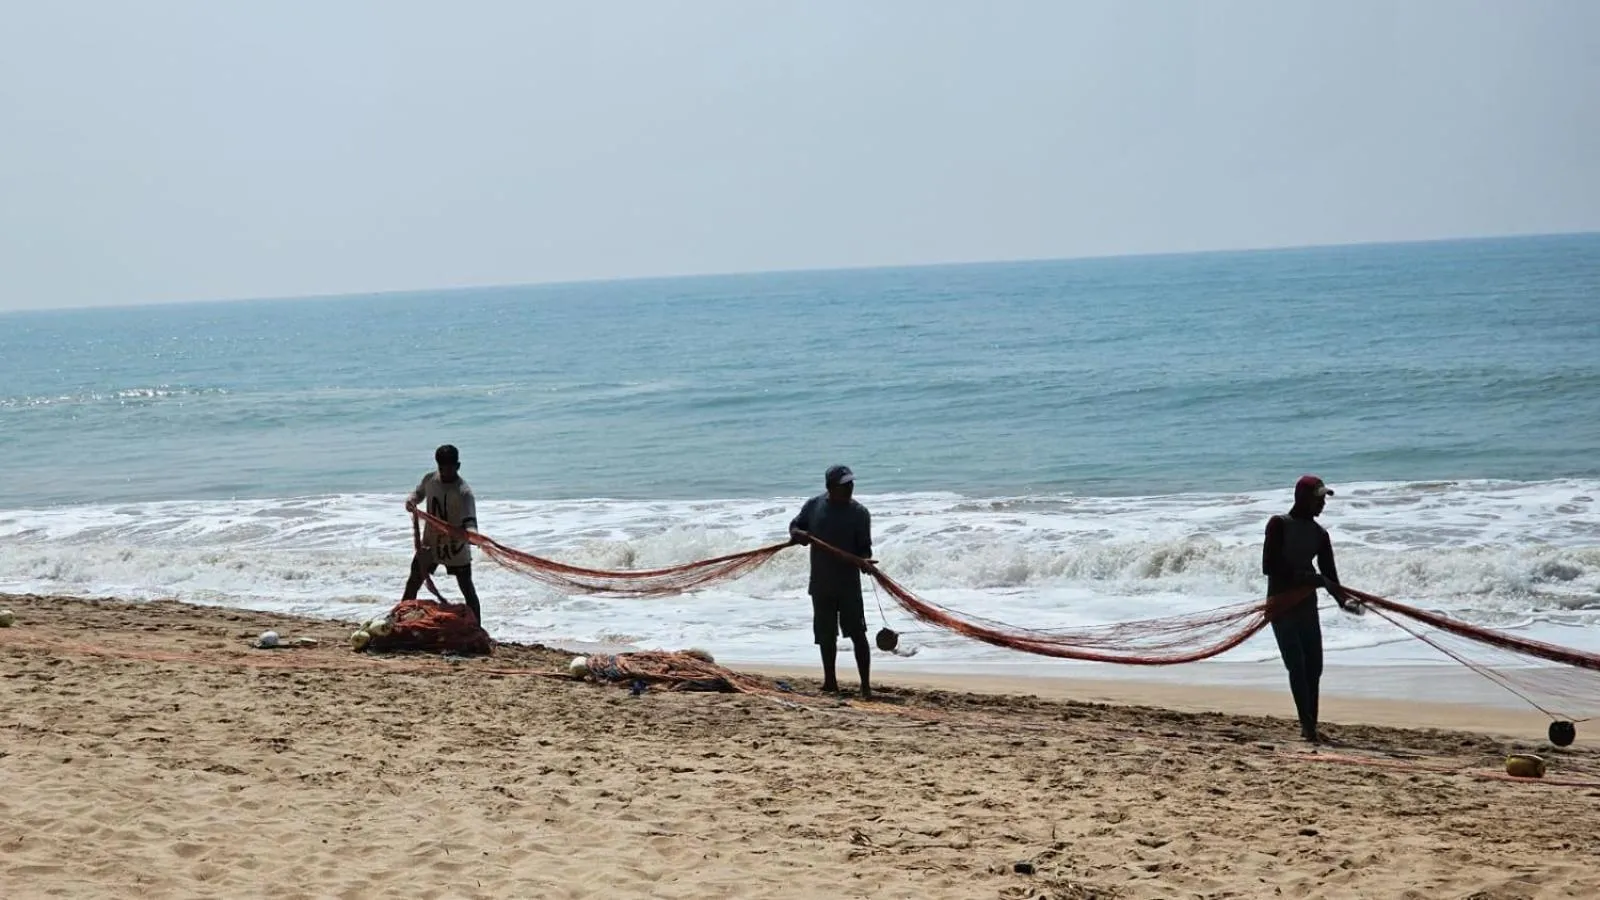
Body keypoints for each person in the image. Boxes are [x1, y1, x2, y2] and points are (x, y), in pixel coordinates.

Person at [1262, 474, 1360, 743]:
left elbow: (1330, 576)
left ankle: (1310, 725)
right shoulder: (1278, 524)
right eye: (1318, 499)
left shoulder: (1320, 535)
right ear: (1303, 498)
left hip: (1306, 607)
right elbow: (1270, 566)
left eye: (1324, 500)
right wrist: (1308, 578)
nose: (1322, 505)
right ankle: (1308, 727)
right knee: (1297, 665)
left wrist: (1346, 601)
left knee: (1314, 667)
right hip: (1281, 605)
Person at [788, 465, 877, 698]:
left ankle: (865, 686)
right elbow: (794, 526)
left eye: (851, 484)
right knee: (826, 635)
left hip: (848, 584)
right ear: (830, 487)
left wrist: (864, 562)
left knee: (858, 633)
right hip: (821, 583)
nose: (849, 488)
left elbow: (865, 548)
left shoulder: (859, 513)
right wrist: (799, 534)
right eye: (844, 485)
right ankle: (830, 682)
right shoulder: (814, 506)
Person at [403, 444, 483, 623]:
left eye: (450, 468)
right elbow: (419, 493)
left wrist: (472, 535)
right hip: (430, 543)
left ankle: (477, 628)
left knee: (467, 589)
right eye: (441, 468)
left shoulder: (464, 492)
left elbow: (470, 520)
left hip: (455, 548)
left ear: (458, 466)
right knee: (414, 580)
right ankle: (400, 618)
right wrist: (411, 501)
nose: (445, 472)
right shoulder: (430, 480)